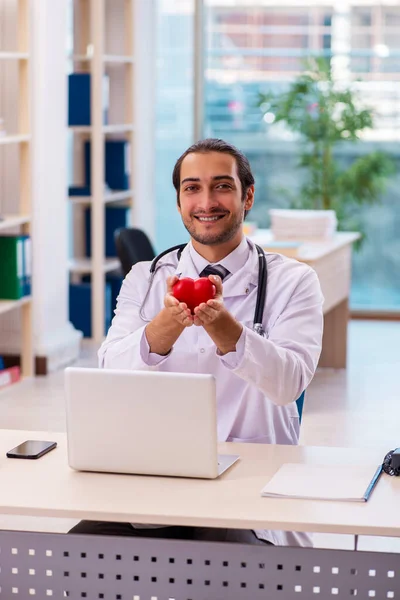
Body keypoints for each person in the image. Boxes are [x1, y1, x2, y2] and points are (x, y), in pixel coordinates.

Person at [70, 138, 324, 546]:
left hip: (251, 478)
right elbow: (110, 373)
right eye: (192, 188)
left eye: (222, 186)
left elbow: (288, 384)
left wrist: (224, 327)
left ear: (248, 197)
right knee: (76, 554)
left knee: (224, 563)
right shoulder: (145, 278)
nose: (207, 201)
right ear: (178, 201)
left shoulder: (293, 281)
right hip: (157, 474)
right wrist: (167, 324)